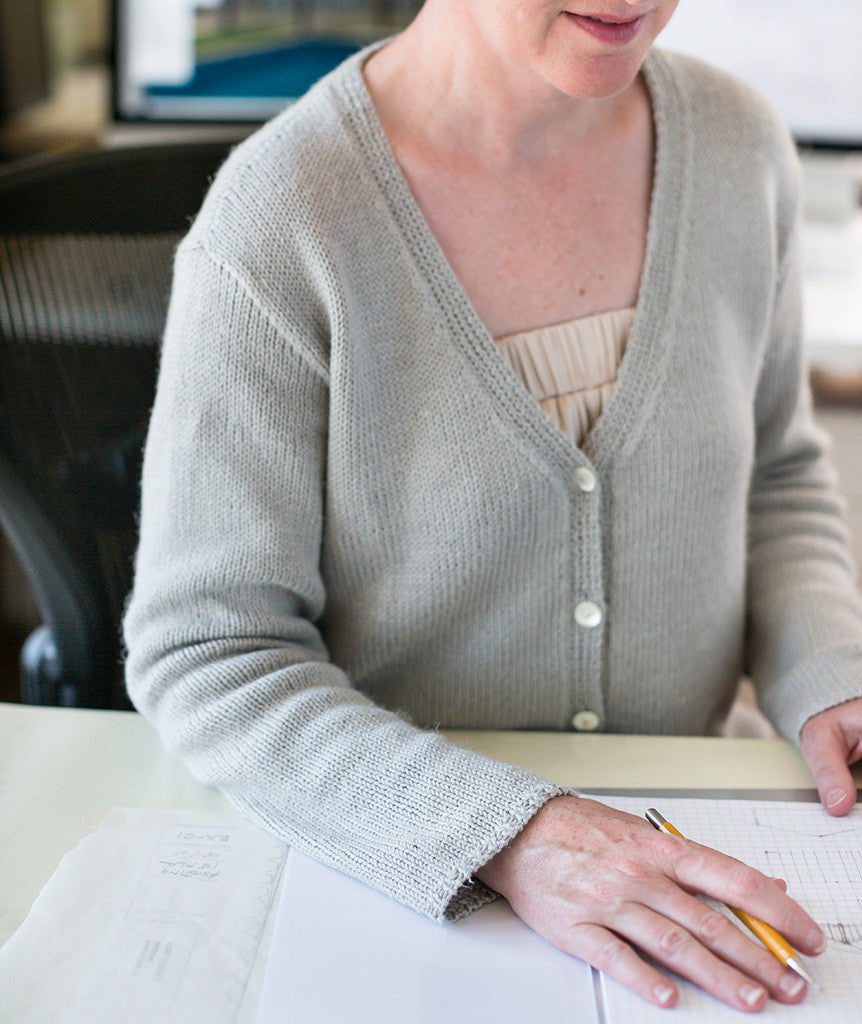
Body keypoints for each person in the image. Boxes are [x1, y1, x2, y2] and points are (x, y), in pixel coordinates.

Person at [123, 0, 862, 1013]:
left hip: (692, 835)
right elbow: (209, 656)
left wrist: (829, 675)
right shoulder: (283, 214)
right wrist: (513, 831)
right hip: (407, 873)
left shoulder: (738, 145)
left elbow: (774, 476)